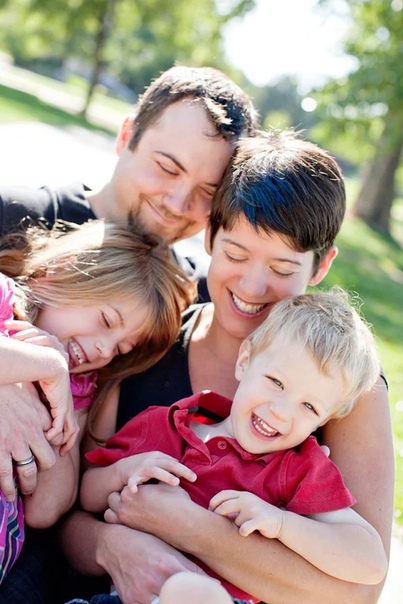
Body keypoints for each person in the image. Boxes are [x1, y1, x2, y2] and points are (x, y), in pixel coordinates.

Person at [59, 130, 393, 604]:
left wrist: (192, 528)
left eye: (282, 270)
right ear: (211, 236)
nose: (253, 287)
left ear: (320, 268)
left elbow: (361, 590)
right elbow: (72, 510)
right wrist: (112, 546)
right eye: (236, 255)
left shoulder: (345, 383)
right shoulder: (152, 341)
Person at [77, 289, 387, 604]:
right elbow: (87, 496)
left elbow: (371, 562)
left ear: (324, 419)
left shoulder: (297, 470)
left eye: (309, 406)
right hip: (123, 597)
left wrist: (281, 523)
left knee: (192, 594)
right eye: (276, 382)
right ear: (244, 361)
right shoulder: (165, 424)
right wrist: (124, 473)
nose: (281, 411)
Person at [0, 218, 194, 583]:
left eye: (121, 349)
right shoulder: (2, 299)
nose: (105, 350)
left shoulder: (78, 389)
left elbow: (44, 509)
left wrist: (57, 396)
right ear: (60, 270)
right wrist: (44, 363)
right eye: (106, 320)